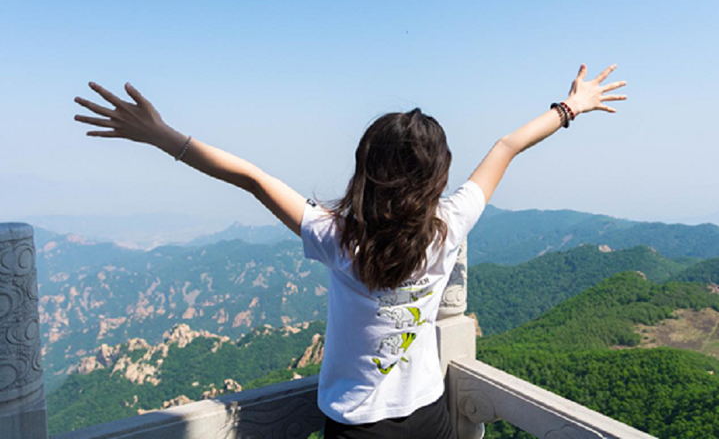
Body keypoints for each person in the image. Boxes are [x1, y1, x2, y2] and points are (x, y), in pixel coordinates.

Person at [73, 63, 627, 438]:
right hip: (429, 418)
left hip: (356, 425)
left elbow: (250, 178)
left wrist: (160, 134)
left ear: (368, 168)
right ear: (436, 176)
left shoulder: (338, 238)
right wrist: (570, 107)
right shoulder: (449, 227)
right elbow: (506, 146)